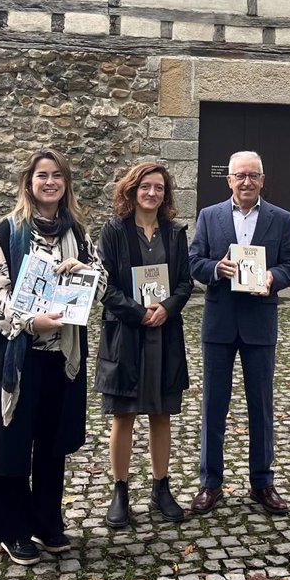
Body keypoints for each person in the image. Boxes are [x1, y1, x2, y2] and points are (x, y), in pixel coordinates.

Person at [0, 148, 107, 566]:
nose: (50, 182)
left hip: (61, 358)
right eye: (42, 175)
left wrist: (81, 272)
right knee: (10, 444)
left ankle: (48, 522)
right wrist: (31, 323)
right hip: (17, 355)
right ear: (29, 183)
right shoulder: (8, 232)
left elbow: (100, 286)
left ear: (66, 184)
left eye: (58, 176)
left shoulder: (79, 234)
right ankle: (13, 530)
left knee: (51, 443)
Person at [188, 151, 290, 515]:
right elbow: (193, 261)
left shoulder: (281, 219)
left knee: (261, 406)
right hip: (220, 322)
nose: (247, 182)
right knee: (213, 406)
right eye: (240, 176)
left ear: (263, 180)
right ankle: (210, 482)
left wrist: (272, 278)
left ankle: (262, 483)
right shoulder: (209, 216)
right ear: (229, 180)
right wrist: (214, 268)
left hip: (259, 323)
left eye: (253, 175)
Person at [94, 162, 192, 528]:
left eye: (160, 188)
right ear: (132, 190)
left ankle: (160, 487)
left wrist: (166, 309)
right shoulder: (114, 232)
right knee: (124, 415)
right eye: (146, 186)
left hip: (164, 334)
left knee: (161, 412)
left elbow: (184, 283)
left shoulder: (174, 232)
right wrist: (138, 312)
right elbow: (105, 285)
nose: (152, 193)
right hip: (126, 334)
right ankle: (120, 490)